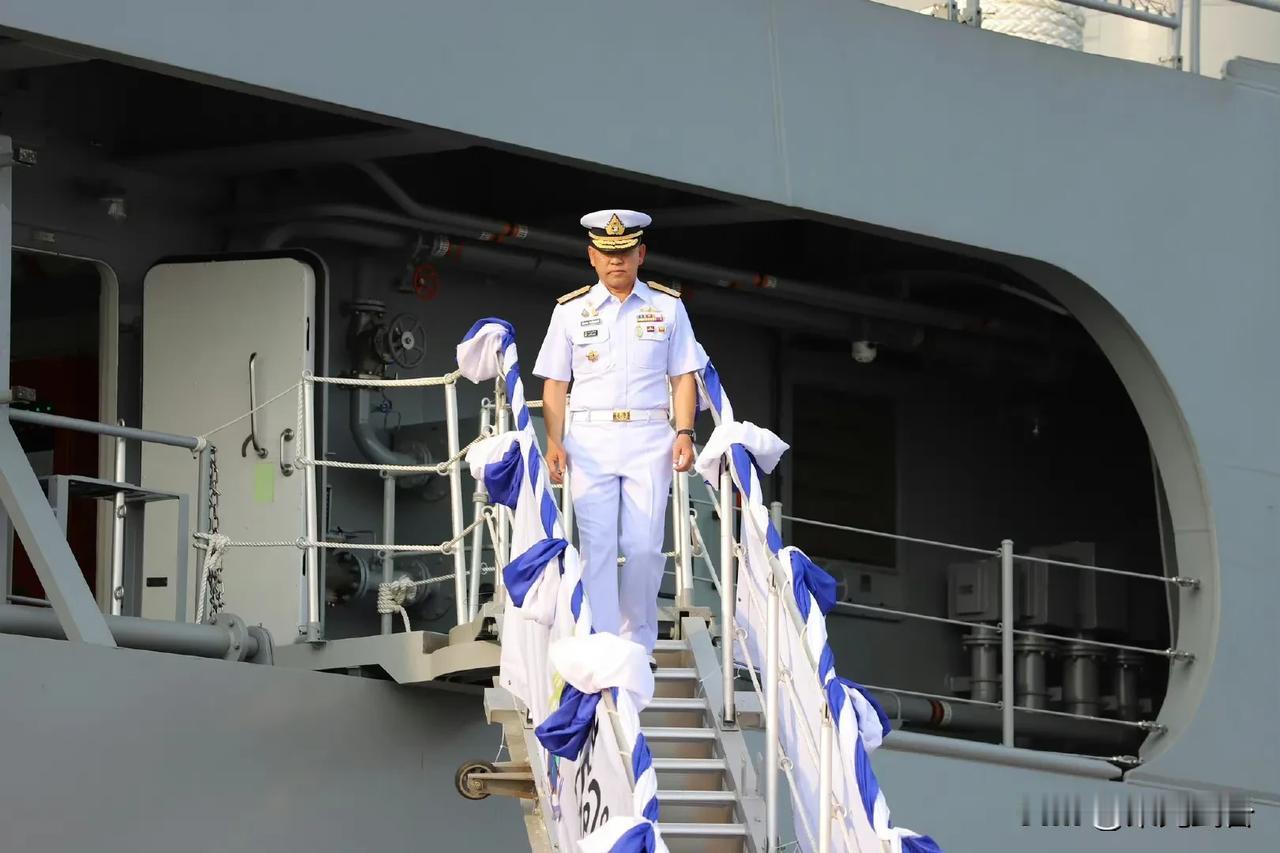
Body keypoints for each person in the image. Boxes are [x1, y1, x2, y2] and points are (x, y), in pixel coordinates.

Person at [532, 209, 705, 661]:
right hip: (590, 438)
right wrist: (554, 440)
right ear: (592, 256)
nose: (616, 261)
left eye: (625, 252)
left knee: (645, 547)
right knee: (598, 545)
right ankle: (603, 645)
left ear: (640, 254)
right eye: (607, 253)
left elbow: (683, 376)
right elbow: (555, 383)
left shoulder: (668, 307)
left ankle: (638, 643)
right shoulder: (570, 311)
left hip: (650, 435)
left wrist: (685, 431)